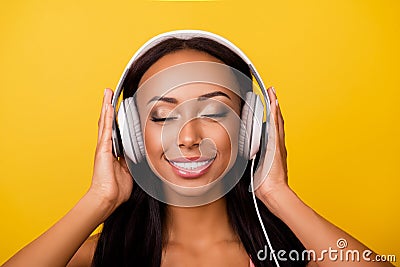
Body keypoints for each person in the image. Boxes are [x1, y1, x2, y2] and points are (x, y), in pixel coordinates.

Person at [2, 34, 393, 267]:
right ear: (131, 136)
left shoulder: (291, 254)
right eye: (161, 116)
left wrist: (278, 194)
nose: (188, 138)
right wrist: (100, 199)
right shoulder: (99, 257)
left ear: (250, 130)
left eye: (214, 111)